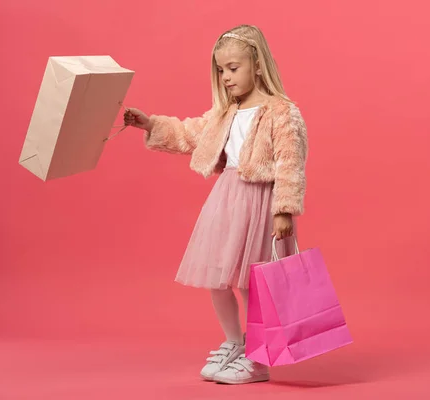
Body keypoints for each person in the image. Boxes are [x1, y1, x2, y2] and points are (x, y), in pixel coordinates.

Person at [124, 24, 308, 384]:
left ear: (257, 65)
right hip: (227, 199)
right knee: (219, 277)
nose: (225, 77)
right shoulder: (224, 113)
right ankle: (234, 341)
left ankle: (258, 357)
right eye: (220, 70)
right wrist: (150, 124)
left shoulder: (280, 112)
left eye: (233, 68)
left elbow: (291, 161)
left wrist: (284, 208)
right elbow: (189, 133)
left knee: (251, 283)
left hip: (261, 201)